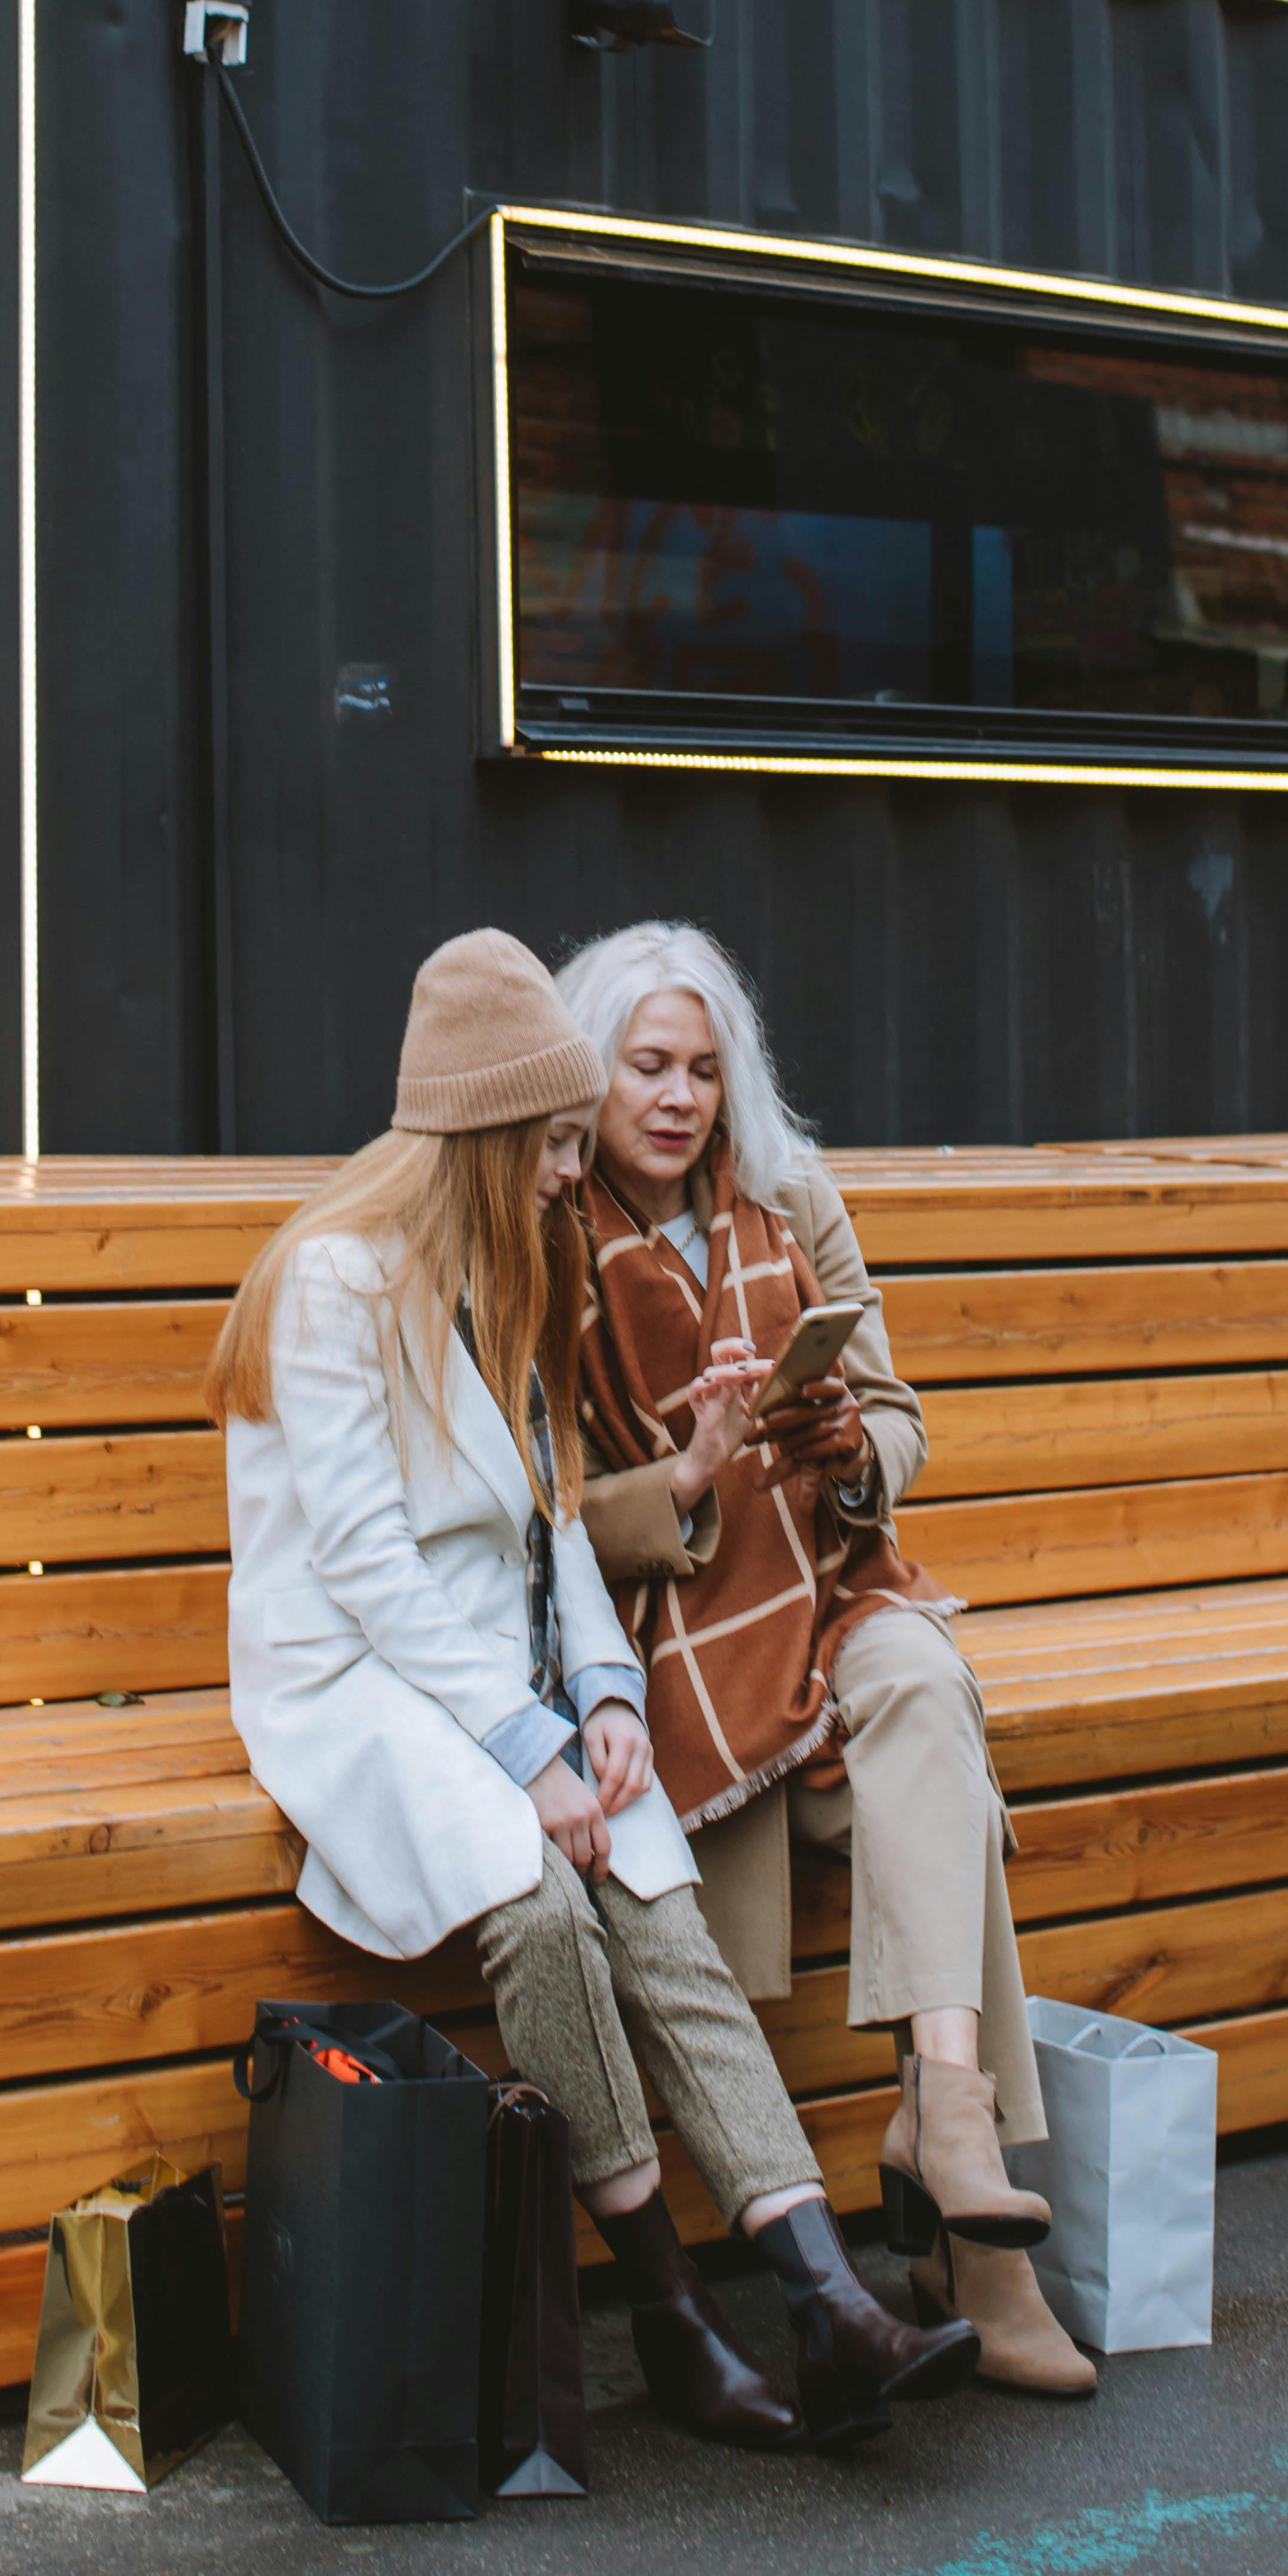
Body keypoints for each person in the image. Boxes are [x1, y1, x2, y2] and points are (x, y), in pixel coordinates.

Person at [207, 926, 979, 2456]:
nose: (577, 1171)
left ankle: (825, 2301)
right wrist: (524, 1747)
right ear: (491, 1134)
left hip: (485, 1671)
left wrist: (608, 1697)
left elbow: (556, 1519)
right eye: (557, 1143)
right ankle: (675, 2318)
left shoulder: (507, 1270)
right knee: (545, 1905)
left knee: (657, 1903)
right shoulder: (327, 1284)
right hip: (353, 1684)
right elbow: (367, 1571)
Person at [551, 919, 1096, 2402]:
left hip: (829, 1588)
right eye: (645, 1068)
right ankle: (971, 2245)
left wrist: (850, 1451)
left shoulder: (789, 1198)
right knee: (953, 1792)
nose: (678, 1100)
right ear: (587, 1077)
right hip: (667, 1645)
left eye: (703, 1072)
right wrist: (686, 1477)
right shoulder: (544, 1231)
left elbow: (898, 1418)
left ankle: (948, 2112)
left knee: (921, 1683)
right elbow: (533, 1520)